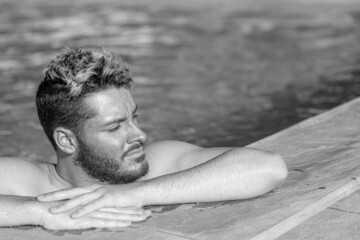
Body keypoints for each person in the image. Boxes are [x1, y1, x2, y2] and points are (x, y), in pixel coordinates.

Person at [0, 48, 287, 230]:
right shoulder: (28, 182)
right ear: (66, 141)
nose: (140, 135)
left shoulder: (157, 164)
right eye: (115, 127)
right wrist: (40, 211)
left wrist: (134, 194)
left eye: (134, 118)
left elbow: (268, 168)